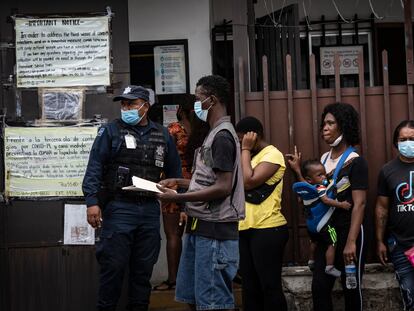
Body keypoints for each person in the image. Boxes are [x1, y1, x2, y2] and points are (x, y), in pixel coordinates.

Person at [82, 85, 182, 311]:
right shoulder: (110, 131)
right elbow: (94, 168)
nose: (125, 107)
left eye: (131, 103)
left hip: (148, 210)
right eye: (123, 104)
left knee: (143, 271)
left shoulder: (163, 134)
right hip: (119, 208)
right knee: (113, 267)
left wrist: (177, 198)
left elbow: (176, 174)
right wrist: (92, 202)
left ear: (145, 107)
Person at [156, 75, 245, 311]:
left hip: (215, 233)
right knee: (194, 299)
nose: (195, 105)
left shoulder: (223, 137)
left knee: (213, 303)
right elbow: (208, 180)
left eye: (198, 99)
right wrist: (180, 182)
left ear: (211, 100)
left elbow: (224, 187)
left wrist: (178, 198)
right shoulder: (212, 133)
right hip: (200, 229)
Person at [286, 102, 368, 311]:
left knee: (351, 290)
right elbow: (314, 192)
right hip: (327, 233)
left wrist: (351, 242)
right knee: (319, 288)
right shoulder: (322, 160)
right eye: (324, 123)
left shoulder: (355, 161)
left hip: (349, 231)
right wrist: (298, 171)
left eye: (330, 123)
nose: (325, 128)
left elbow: (359, 203)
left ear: (343, 126)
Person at [153, 95, 209, 291]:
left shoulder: (174, 130)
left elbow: (160, 156)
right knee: (198, 234)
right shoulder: (207, 130)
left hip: (175, 184)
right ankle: (197, 279)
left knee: (172, 235)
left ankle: (174, 280)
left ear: (180, 111)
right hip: (201, 185)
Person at [235, 116, 289, 311]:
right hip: (244, 228)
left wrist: (245, 149)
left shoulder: (272, 154)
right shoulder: (248, 157)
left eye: (242, 138)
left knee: (269, 286)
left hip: (267, 228)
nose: (240, 143)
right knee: (249, 288)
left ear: (253, 136)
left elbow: (249, 181)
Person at [375, 120, 414, 310]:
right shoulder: (387, 171)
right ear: (396, 142)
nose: (408, 143)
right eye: (403, 139)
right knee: (410, 296)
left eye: (412, 139)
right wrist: (380, 240)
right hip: (400, 246)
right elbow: (382, 208)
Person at [295, 159, 352, 278]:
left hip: (311, 225)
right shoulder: (320, 187)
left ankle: (311, 261)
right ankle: (329, 267)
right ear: (309, 179)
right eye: (319, 175)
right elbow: (326, 200)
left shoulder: (306, 191)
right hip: (323, 224)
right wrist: (342, 205)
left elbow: (300, 201)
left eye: (324, 173)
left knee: (314, 241)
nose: (323, 177)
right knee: (333, 242)